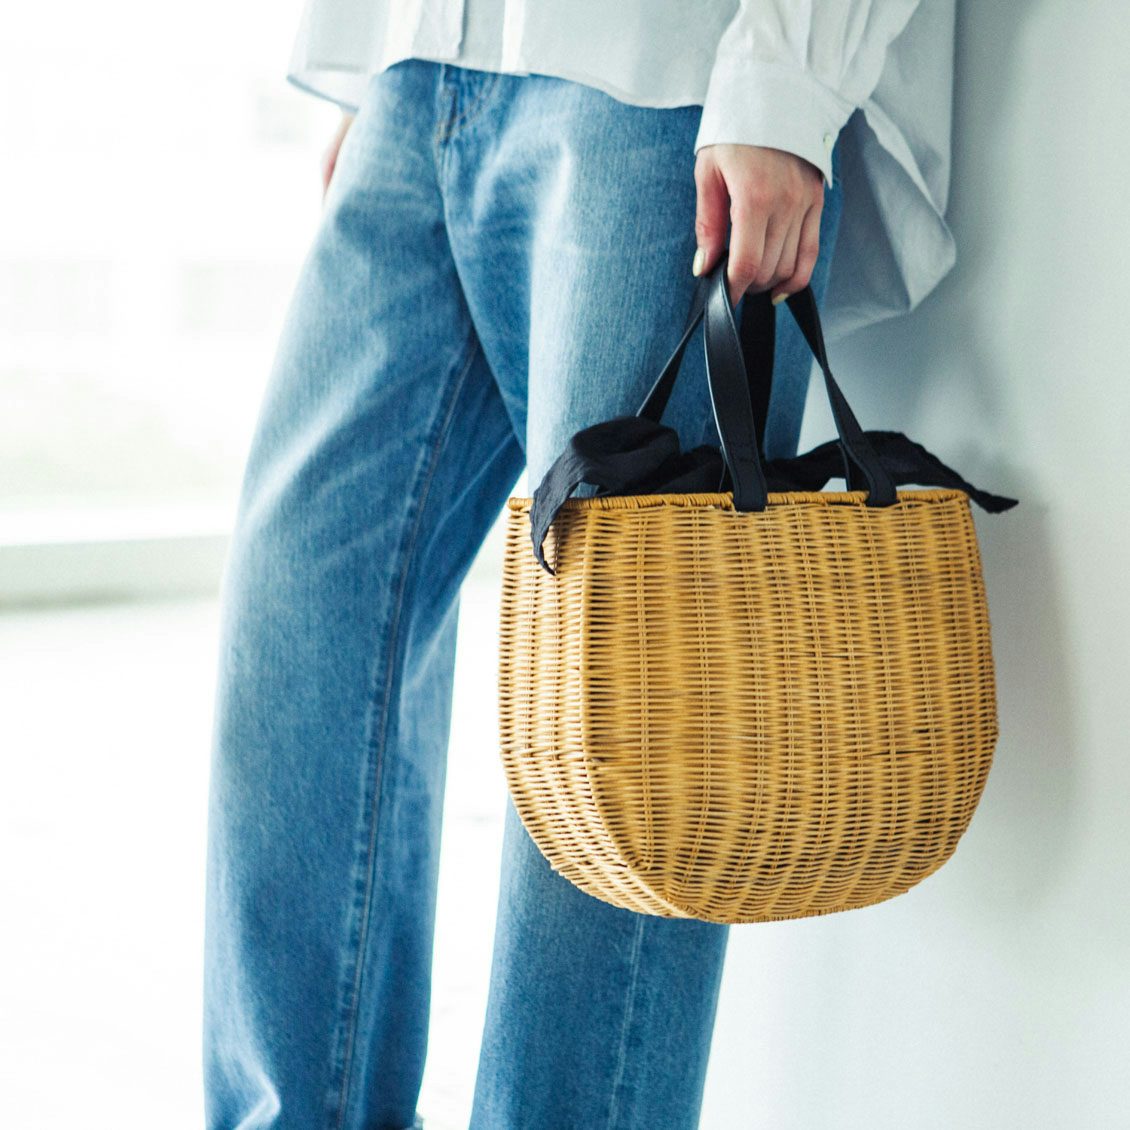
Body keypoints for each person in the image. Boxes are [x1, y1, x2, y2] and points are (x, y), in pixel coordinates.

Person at [202, 2, 957, 1127]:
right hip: (420, 67)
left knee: (626, 726)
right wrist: (379, 73)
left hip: (660, 75)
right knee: (300, 628)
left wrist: (789, 75)